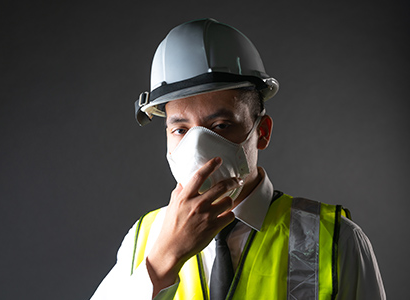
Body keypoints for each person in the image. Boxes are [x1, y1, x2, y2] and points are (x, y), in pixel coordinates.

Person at [90, 18, 386, 299]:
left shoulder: (336, 241)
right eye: (180, 129)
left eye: (220, 126)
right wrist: (165, 257)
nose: (197, 147)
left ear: (262, 132)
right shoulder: (143, 240)